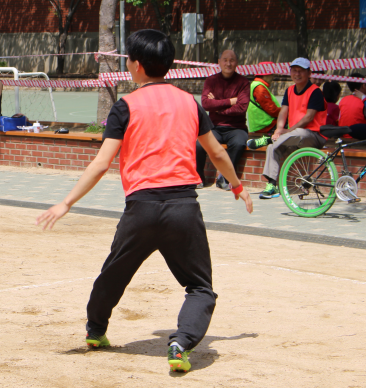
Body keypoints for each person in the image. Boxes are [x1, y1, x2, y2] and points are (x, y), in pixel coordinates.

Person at [36, 29, 253, 374]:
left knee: (113, 275)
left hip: (141, 209)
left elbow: (101, 163)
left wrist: (67, 202)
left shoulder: (126, 106)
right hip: (183, 208)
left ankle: (95, 330)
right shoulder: (189, 102)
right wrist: (238, 187)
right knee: (200, 287)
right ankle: (181, 342)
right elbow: (216, 152)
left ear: (136, 65)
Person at [251, 57, 327, 200]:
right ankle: (272, 185)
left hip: (314, 136)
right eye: (294, 71)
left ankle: (269, 139)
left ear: (309, 73)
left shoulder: (315, 91)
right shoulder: (290, 90)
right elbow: (283, 112)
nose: (297, 74)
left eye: (301, 71)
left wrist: (288, 130)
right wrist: (279, 129)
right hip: (293, 136)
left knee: (299, 133)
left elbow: (308, 117)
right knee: (272, 147)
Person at [195, 50, 250, 190]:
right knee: (199, 145)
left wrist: (218, 107)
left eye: (232, 60)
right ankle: (199, 178)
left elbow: (241, 108)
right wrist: (230, 101)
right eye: (225, 60)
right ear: (219, 62)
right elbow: (206, 104)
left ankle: (224, 179)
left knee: (238, 144)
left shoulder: (243, 82)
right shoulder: (211, 81)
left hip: (236, 127)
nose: (228, 63)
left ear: (236, 63)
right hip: (214, 127)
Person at [246, 62, 282, 140]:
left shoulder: (255, 85)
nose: (273, 77)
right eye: (271, 74)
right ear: (265, 75)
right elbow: (272, 110)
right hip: (267, 125)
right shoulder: (260, 88)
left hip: (261, 125)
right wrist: (286, 111)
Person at [338, 73, 366, 139]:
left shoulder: (343, 100)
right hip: (359, 138)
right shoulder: (363, 101)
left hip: (343, 137)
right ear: (363, 85)